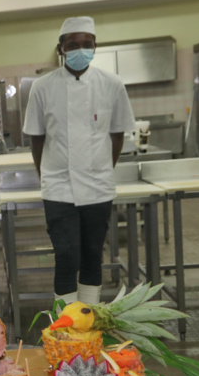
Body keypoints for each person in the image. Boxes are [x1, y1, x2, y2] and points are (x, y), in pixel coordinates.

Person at [24, 16, 135, 305]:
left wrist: (102, 169)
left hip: (98, 185)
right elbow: (37, 138)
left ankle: (90, 318)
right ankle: (66, 325)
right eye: (73, 45)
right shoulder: (42, 87)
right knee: (66, 254)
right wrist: (46, 175)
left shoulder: (112, 84)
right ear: (61, 49)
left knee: (91, 255)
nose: (80, 50)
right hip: (58, 187)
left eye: (87, 44)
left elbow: (117, 133)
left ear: (95, 46)